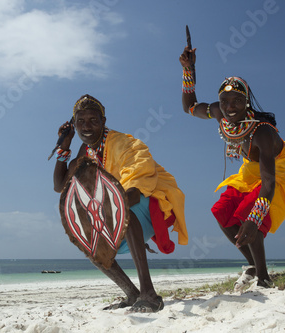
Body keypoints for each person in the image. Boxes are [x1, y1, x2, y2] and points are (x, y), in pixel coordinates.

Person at [53, 94, 188, 312]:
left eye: (93, 120)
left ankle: (149, 294)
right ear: (74, 124)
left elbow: (133, 190)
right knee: (88, 238)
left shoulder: (126, 144)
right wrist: (64, 145)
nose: (86, 127)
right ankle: (132, 294)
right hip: (114, 214)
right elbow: (60, 186)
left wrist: (108, 213)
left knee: (126, 211)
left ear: (103, 122)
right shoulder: (85, 151)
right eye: (81, 122)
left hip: (149, 206)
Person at [179, 46, 285, 290]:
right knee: (221, 210)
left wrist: (254, 219)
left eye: (237, 101)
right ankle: (253, 266)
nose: (230, 107)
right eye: (224, 101)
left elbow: (269, 184)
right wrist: (189, 70)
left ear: (246, 102)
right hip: (249, 170)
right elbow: (189, 107)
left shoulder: (262, 132)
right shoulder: (218, 113)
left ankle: (264, 278)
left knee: (247, 214)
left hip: (277, 170)